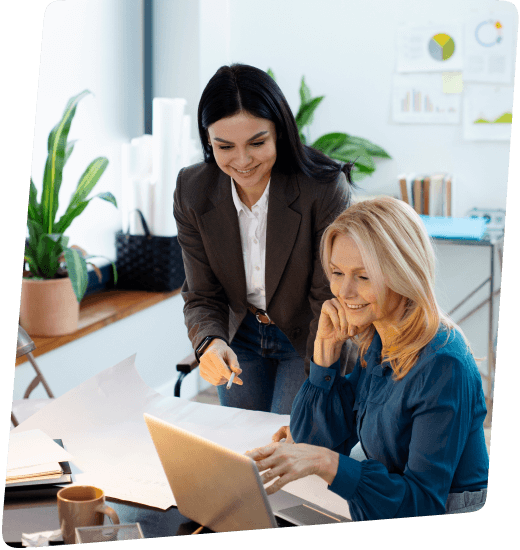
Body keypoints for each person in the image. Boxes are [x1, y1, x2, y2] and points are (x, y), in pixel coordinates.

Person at [245, 196, 489, 519]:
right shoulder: (378, 337)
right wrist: (325, 356)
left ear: (403, 274)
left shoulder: (443, 365)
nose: (344, 292)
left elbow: (422, 503)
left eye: (363, 276)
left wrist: (324, 461)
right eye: (337, 272)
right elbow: (311, 441)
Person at [173, 63, 358, 414]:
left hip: (307, 333)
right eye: (225, 146)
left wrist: (320, 384)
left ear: (280, 133)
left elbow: (328, 296)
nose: (242, 161)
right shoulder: (192, 190)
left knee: (288, 439)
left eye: (257, 143)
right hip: (240, 333)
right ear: (208, 140)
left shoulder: (322, 188)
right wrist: (210, 342)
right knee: (242, 442)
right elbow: (201, 293)